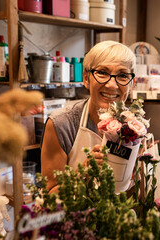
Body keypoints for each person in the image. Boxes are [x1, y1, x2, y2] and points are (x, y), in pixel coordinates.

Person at [41, 40, 136, 193]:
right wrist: (82, 173)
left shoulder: (135, 127)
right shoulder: (62, 124)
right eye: (102, 72)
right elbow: (49, 194)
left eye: (123, 75)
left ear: (132, 84)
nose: (112, 85)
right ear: (86, 79)